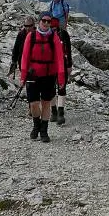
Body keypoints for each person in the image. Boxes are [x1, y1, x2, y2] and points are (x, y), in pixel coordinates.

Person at [20, 13, 65, 142]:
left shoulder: (54, 37)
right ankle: (36, 126)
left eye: (48, 22)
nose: (46, 24)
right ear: (39, 22)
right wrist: (23, 76)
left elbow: (59, 58)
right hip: (33, 74)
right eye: (44, 21)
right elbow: (25, 57)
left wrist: (61, 78)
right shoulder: (31, 36)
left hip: (49, 75)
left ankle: (44, 131)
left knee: (46, 103)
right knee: (34, 104)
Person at [49, 17, 72, 125]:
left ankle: (59, 112)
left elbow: (68, 50)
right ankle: (55, 111)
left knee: (61, 87)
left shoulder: (62, 34)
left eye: (54, 27)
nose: (53, 29)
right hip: (50, 64)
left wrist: (69, 65)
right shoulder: (48, 35)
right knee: (51, 88)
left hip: (60, 63)